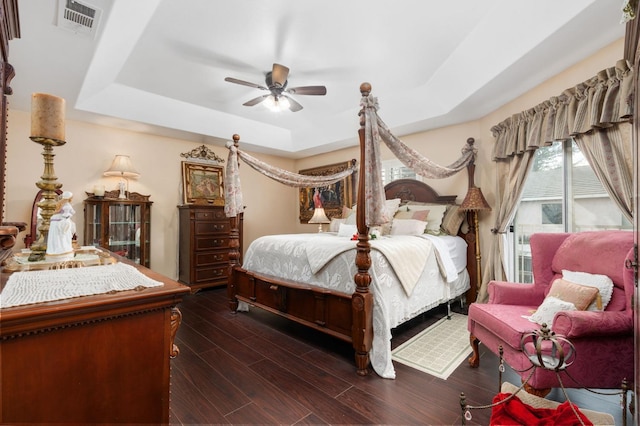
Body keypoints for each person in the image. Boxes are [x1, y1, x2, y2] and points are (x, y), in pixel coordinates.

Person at [46, 191, 76, 256]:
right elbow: (69, 214)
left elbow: (56, 212)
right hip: (61, 222)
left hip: (55, 222)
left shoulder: (59, 204)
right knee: (62, 236)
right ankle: (62, 249)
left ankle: (54, 248)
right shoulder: (67, 205)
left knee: (56, 236)